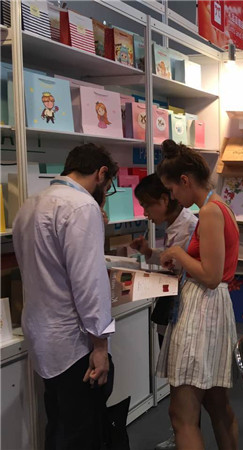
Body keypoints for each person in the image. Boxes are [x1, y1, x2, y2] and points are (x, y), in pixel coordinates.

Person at [13, 143, 118, 450]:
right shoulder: (81, 207)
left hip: (41, 334)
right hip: (73, 341)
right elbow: (89, 283)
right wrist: (100, 345)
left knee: (58, 423)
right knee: (82, 431)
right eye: (108, 186)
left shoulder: (31, 204)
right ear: (101, 173)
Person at [155, 140, 239, 450]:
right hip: (209, 310)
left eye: (172, 189)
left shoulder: (210, 212)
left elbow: (211, 276)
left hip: (202, 312)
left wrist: (178, 253)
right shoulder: (219, 206)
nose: (173, 197)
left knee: (182, 415)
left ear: (185, 181)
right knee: (217, 406)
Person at [129, 173, 198, 348]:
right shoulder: (174, 224)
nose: (145, 213)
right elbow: (171, 260)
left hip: (185, 308)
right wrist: (148, 252)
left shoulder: (190, 227)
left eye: (146, 206)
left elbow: (183, 266)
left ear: (164, 200)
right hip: (172, 305)